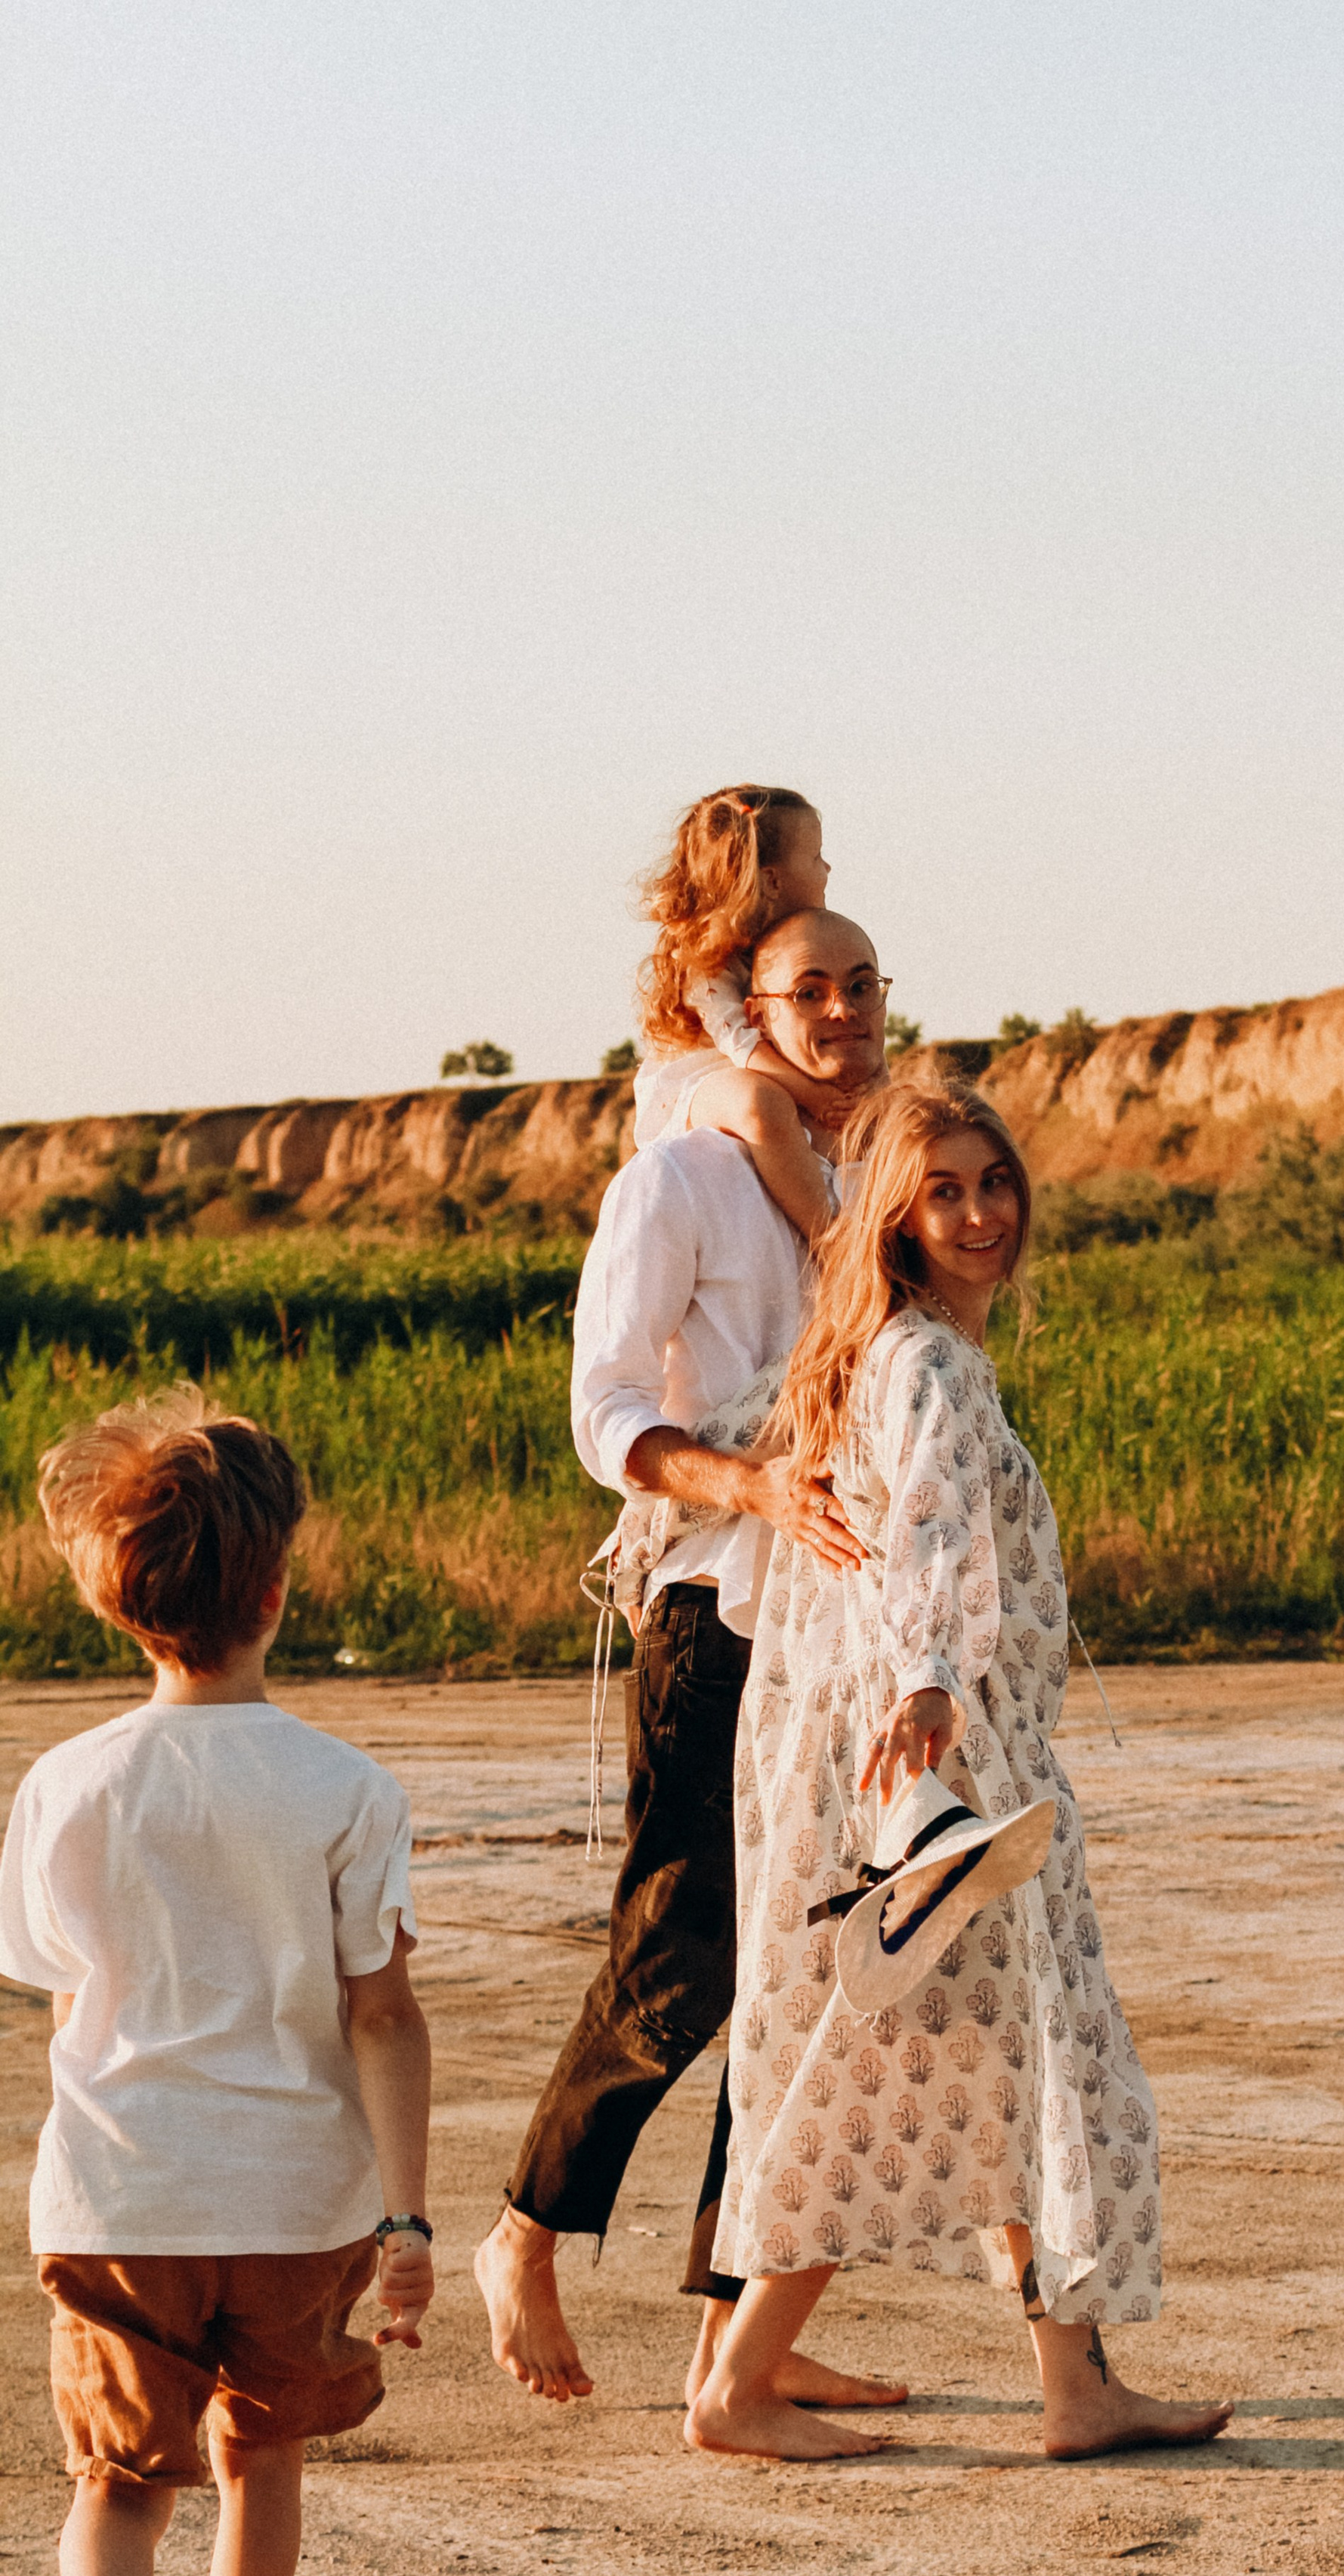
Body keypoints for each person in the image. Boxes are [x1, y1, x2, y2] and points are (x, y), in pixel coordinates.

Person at [687, 1084, 1234, 2463]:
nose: (983, 1214)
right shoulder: (925, 1366)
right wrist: (926, 1685)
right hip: (941, 1759)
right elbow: (924, 1537)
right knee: (920, 2067)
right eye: (947, 1191)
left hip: (912, 1748)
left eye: (995, 1183)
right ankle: (738, 2387)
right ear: (894, 1217)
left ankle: (1076, 2387)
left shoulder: (873, 1354)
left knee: (1011, 2063)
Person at [473, 907, 907, 2419]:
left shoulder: (887, 1180)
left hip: (855, 1629)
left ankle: (743, 2339)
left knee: (820, 1971)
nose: (843, 1010)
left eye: (865, 984)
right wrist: (749, 1486)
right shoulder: (679, 1179)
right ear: (756, 1010)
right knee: (682, 1964)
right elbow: (602, 1412)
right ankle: (525, 2230)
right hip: (714, 1609)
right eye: (812, 989)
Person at [1, 1392, 434, 2576]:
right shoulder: (344, 1791)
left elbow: (56, 1973)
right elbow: (382, 2017)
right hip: (293, 2200)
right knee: (262, 2467)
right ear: (273, 1589)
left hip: (119, 2194)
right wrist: (410, 2220)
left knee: (117, 2480)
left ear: (124, 1598)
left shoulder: (66, 1786)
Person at [631, 783, 851, 1239]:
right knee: (760, 1103)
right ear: (771, 880)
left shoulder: (793, 946)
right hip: (702, 1082)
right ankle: (829, 1236)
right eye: (815, 858)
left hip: (765, 1069)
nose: (827, 868)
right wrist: (812, 1095)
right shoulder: (706, 959)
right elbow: (741, 1045)